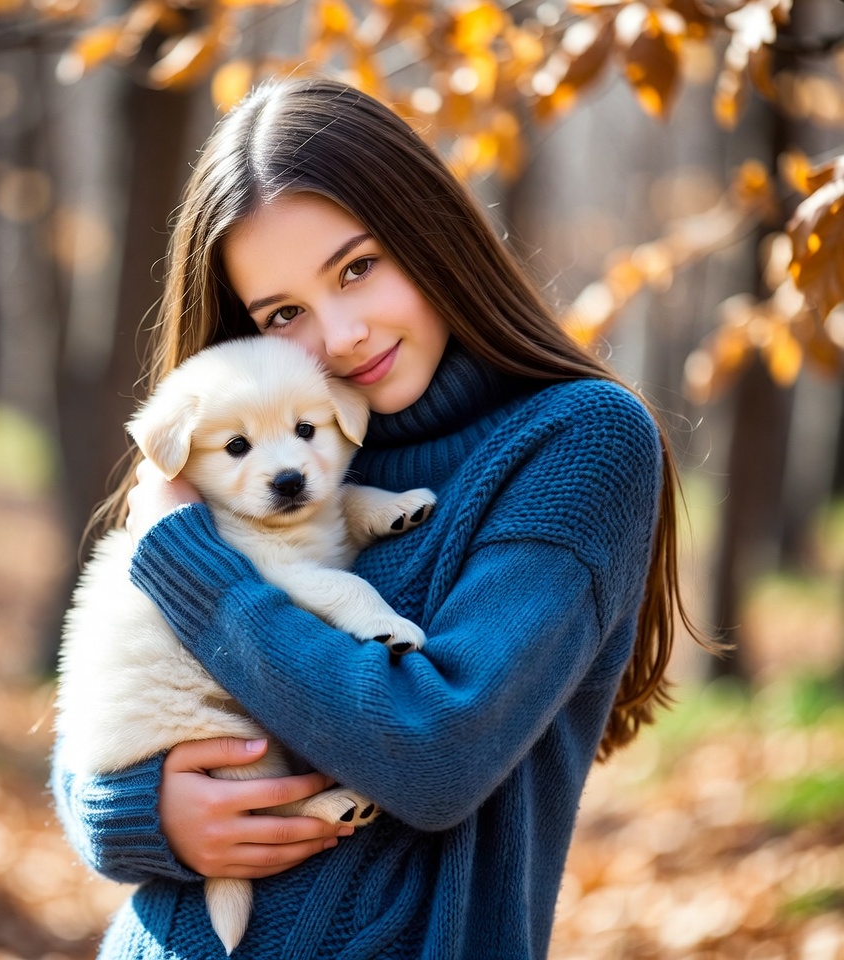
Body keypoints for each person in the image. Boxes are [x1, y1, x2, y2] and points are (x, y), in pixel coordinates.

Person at [51, 74, 710, 959]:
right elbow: (107, 688)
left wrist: (195, 572)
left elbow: (438, 754)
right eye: (285, 312)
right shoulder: (250, 450)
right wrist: (131, 811)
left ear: (427, 231)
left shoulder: (576, 445)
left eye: (358, 268)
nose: (342, 334)